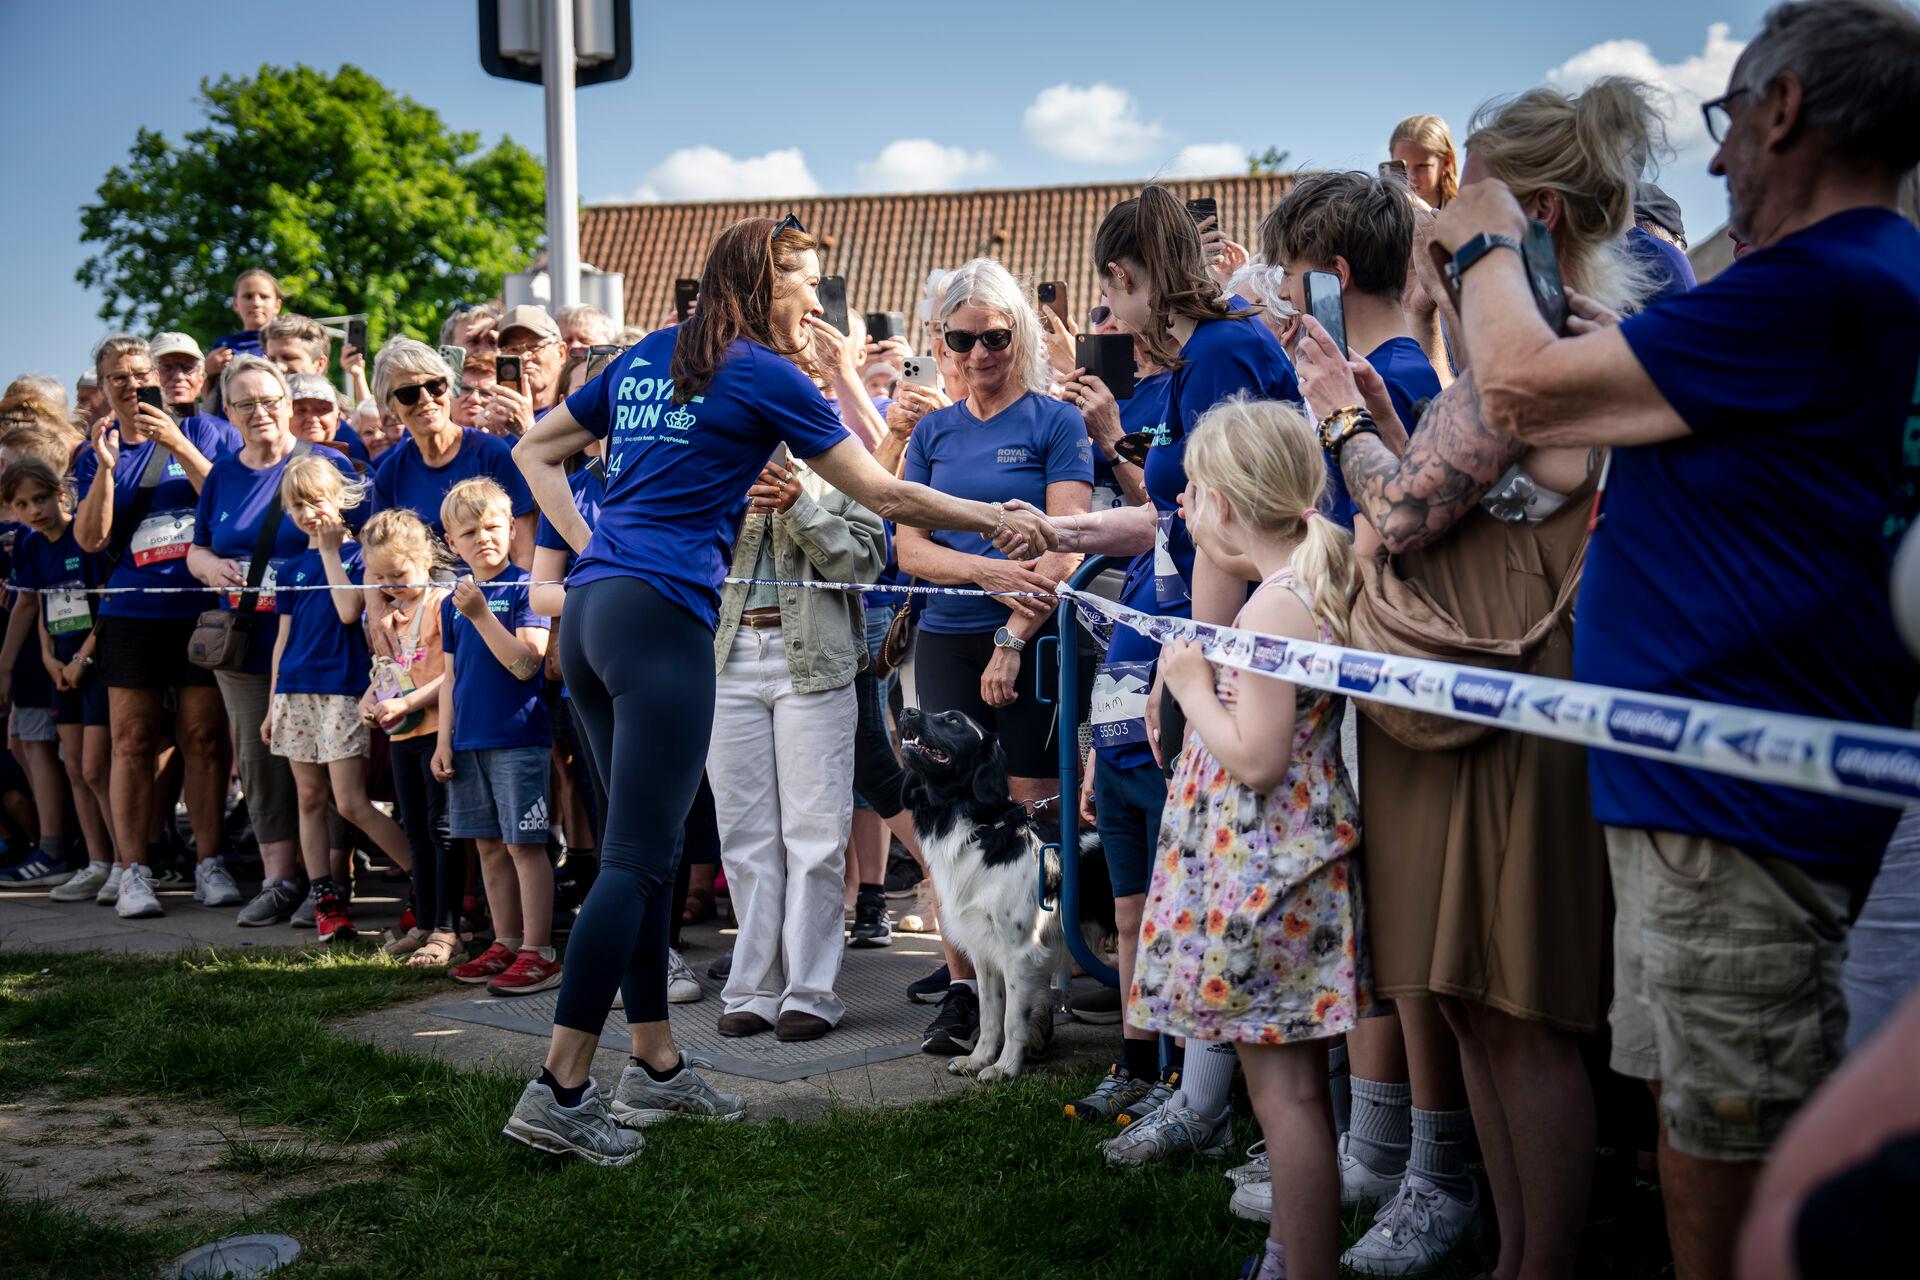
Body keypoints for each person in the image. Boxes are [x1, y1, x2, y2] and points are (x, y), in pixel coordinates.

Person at [1420, 4, 1920, 1275]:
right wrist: (1618, 361)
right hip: (1717, 797)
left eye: (1730, 120)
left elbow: (1518, 391)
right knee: (1695, 1120)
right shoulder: (1841, 284)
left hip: (1737, 819)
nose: (1713, 164)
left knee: (1729, 1157)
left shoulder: (1817, 281)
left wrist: (1481, 240)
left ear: (1787, 110)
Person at [507, 212, 1055, 1163]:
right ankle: (559, 1089)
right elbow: (882, 498)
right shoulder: (762, 371)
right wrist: (992, 517)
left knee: (639, 862)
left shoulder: (648, 354)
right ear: (764, 283)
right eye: (805, 279)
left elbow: (534, 452)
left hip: (594, 617)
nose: (817, 297)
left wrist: (595, 547)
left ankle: (657, 1067)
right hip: (661, 622)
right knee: (638, 864)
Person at [1308, 75, 1661, 1278]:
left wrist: (1342, 428)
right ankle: (1512, 1248)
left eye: (1470, 214)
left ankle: (1541, 1258)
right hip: (1460, 697)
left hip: (1510, 709)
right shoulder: (1514, 364)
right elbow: (1462, 502)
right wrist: (1387, 421)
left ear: (1535, 218)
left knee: (1518, 1011)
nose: (1443, 230)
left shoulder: (1557, 358)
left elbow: (1402, 515)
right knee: (1468, 1005)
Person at [1041, 184, 1300, 1164]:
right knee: (1198, 879)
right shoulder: (1205, 357)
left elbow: (1237, 524)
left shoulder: (1226, 352)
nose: (1118, 319)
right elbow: (1180, 516)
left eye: (1116, 294)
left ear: (1123, 275)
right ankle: (1201, 1097)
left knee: (1234, 887)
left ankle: (1243, 1113)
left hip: (1241, 644)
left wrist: (1185, 663)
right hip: (1210, 635)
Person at [1137, 396, 1365, 1280]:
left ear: (1228, 499)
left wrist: (1193, 684)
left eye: (1193, 490)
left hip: (1265, 874)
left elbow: (1261, 757)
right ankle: (1289, 1253)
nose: (1185, 506)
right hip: (1281, 867)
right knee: (1295, 1091)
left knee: (1289, 1100)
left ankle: (1304, 1264)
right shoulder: (1305, 581)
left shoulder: (1274, 610)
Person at [896, 259, 1093, 1055]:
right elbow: (907, 548)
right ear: (941, 343)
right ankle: (966, 989)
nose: (980, 353)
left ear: (1021, 334)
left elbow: (1068, 543)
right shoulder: (932, 432)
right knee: (945, 822)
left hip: (1036, 639)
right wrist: (983, 569)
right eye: (962, 338)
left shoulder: (1055, 422)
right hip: (946, 636)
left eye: (996, 337)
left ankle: (1041, 992)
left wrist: (1011, 633)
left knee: (1031, 815)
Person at [708, 448, 887, 1042]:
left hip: (813, 659)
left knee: (815, 836)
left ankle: (810, 992)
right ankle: (755, 987)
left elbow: (867, 563)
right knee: (743, 836)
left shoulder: (839, 461)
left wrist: (798, 507)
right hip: (723, 660)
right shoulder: (713, 454)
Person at [187, 355, 365, 929]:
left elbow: (362, 535)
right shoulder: (221, 474)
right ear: (229, 413)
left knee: (328, 764)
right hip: (244, 641)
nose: (259, 412)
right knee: (261, 760)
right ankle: (279, 880)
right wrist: (209, 563)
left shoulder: (328, 462)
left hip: (323, 640)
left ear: (289, 404)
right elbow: (197, 544)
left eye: (269, 400)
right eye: (245, 404)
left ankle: (331, 885)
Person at [71, 334, 240, 920]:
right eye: (117, 377)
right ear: (103, 385)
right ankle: (133, 871)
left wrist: (176, 443)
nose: (131, 385)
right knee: (132, 742)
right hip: (132, 613)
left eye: (139, 374)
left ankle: (209, 863)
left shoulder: (208, 434)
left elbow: (229, 502)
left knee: (203, 740)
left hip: (198, 611)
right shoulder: (95, 448)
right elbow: (90, 539)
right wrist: (105, 473)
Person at [264, 455, 415, 944]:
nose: (310, 512)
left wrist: (331, 551)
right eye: (299, 504)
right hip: (294, 692)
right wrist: (271, 703)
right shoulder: (290, 568)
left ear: (341, 501)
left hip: (343, 692)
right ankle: (324, 896)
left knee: (351, 803)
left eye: (318, 501)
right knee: (308, 798)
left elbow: (351, 612)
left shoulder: (357, 558)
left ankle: (431, 881)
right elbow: (281, 641)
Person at [431, 478, 557, 996]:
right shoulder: (451, 601)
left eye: (491, 526)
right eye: (469, 532)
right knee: (487, 847)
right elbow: (451, 679)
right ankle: (505, 940)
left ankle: (539, 949)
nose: (482, 538)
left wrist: (481, 614)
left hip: (519, 739)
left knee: (524, 845)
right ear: (450, 542)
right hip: (469, 741)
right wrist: (444, 739)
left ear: (510, 527)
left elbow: (527, 664)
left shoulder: (528, 586)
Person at [3, 456, 116, 899]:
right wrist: (49, 658)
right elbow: (37, 604)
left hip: (97, 661)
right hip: (60, 664)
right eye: (23, 504)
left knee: (97, 767)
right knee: (74, 768)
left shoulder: (83, 537)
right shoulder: (30, 545)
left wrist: (81, 660)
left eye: (41, 498)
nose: (35, 510)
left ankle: (126, 863)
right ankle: (95, 861)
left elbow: (107, 607)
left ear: (60, 493)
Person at [356, 508, 458, 967]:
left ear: (425, 560)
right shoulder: (392, 613)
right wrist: (370, 696)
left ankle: (449, 928)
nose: (390, 584)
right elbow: (392, 672)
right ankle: (423, 922)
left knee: (443, 832)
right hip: (403, 736)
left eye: (398, 574)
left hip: (440, 731)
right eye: (380, 577)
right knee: (415, 832)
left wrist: (408, 703)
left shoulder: (444, 603)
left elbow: (452, 675)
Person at [369, 339, 534, 557]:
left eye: (434, 386)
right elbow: (381, 558)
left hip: (494, 589)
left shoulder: (491, 453)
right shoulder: (391, 473)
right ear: (391, 407)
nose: (426, 399)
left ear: (448, 389)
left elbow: (525, 553)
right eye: (408, 393)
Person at [477, 306, 569, 438]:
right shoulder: (497, 418)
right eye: (513, 349)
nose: (524, 356)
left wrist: (526, 430)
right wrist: (483, 442)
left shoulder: (576, 410)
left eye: (534, 347)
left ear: (561, 352)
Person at [206, 267, 283, 386]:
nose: (256, 303)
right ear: (235, 304)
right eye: (248, 296)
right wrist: (207, 370)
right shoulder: (223, 347)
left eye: (264, 296)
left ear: (277, 305)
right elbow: (210, 394)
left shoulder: (286, 343)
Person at [287, 374, 373, 469]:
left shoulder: (361, 473)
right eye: (301, 410)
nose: (312, 418)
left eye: (322, 409)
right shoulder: (272, 469)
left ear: (337, 419)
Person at [1387, 115, 1460, 210]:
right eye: (1402, 165)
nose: (1410, 176)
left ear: (1446, 162)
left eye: (1422, 166)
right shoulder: (1379, 213)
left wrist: (1428, 212)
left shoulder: (1464, 212)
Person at [149, 333, 209, 417]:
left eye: (188, 368)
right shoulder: (129, 426)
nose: (179, 376)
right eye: (167, 367)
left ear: (201, 379)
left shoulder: (220, 429)